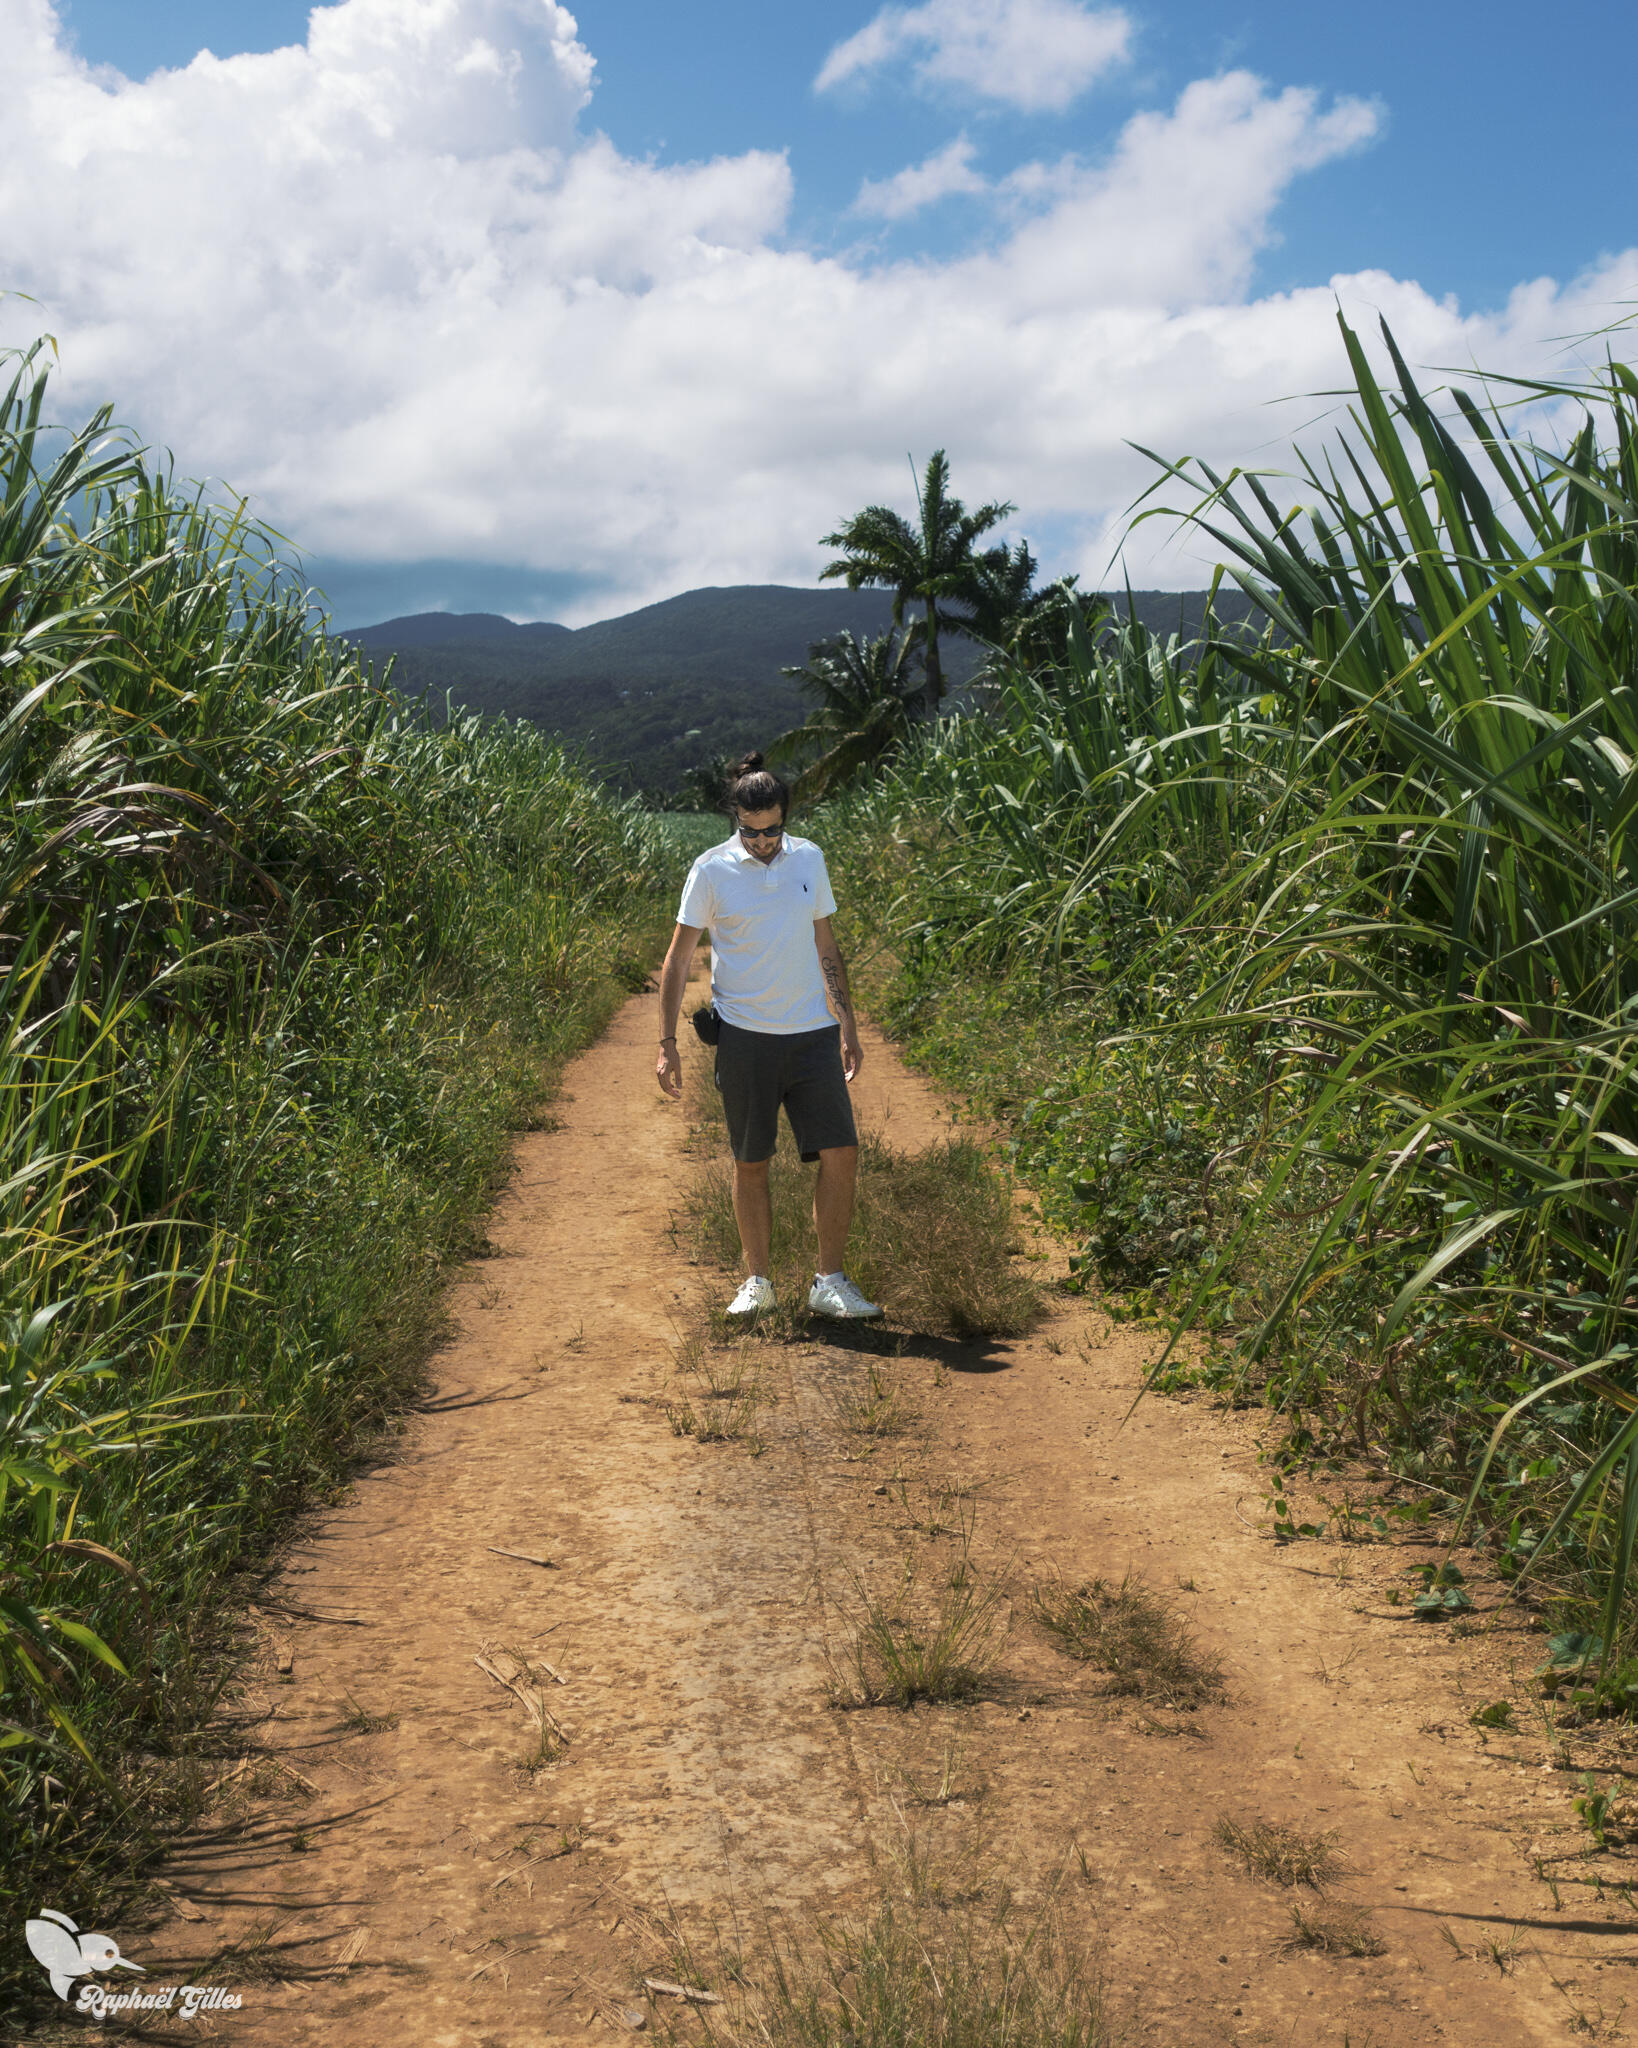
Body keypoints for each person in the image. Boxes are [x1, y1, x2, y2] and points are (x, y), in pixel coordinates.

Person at [655, 753, 882, 1321]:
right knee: (751, 1160)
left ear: (786, 817)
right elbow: (679, 960)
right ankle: (758, 1282)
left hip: (812, 1035)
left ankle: (829, 1281)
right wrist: (666, 1043)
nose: (763, 842)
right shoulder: (710, 870)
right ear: (736, 819)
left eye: (773, 829)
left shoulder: (810, 859)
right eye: (750, 832)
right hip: (746, 1039)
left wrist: (847, 1023)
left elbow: (826, 946)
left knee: (842, 1151)